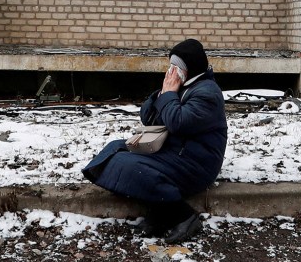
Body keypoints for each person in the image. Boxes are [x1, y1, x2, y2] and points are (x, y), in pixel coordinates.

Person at [82, 39, 227, 243]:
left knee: (129, 165)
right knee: (116, 148)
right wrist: (162, 93)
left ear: (190, 68)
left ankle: (184, 216)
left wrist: (169, 94)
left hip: (196, 163)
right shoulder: (184, 86)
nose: (172, 72)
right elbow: (148, 117)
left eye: (177, 67)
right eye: (171, 66)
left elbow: (178, 122)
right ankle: (160, 213)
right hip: (176, 152)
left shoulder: (207, 92)